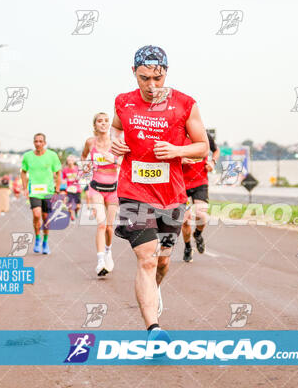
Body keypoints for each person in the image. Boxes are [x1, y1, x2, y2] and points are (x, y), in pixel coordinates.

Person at [110, 45, 208, 341]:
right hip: (133, 192)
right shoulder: (123, 102)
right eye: (144, 79)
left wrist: (178, 150)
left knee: (163, 261)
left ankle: (154, 289)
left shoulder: (185, 104)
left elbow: (202, 145)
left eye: (157, 78)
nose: (152, 86)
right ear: (134, 74)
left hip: (172, 196)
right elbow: (116, 129)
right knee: (148, 259)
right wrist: (116, 142)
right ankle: (154, 328)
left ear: (166, 72)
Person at [81, 113, 120, 276]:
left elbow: (125, 163)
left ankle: (108, 251)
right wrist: (84, 173)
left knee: (110, 228)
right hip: (95, 188)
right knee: (101, 225)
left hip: (113, 189)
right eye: (100, 121)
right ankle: (100, 261)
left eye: (106, 121)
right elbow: (83, 157)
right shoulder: (90, 142)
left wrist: (113, 159)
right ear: (95, 125)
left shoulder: (116, 143)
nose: (103, 124)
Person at [181, 131, 219, 262]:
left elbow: (216, 150)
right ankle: (187, 247)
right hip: (181, 184)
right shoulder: (176, 135)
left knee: (202, 215)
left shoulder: (204, 135)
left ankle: (198, 234)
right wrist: (179, 160)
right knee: (185, 220)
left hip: (200, 181)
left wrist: (213, 162)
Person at [21, 133, 62, 254]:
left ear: (44, 143)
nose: (38, 143)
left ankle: (45, 241)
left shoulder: (52, 156)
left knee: (46, 218)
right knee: (36, 214)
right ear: (34, 143)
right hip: (34, 191)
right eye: (36, 141)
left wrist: (57, 189)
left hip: (48, 192)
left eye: (40, 141)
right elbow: (23, 172)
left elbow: (59, 172)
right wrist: (25, 187)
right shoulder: (27, 156)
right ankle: (37, 239)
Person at [61, 155, 82, 220]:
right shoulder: (65, 170)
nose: (70, 162)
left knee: (78, 206)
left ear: (74, 161)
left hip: (77, 189)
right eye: (68, 160)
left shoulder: (78, 169)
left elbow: (82, 176)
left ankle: (76, 211)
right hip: (69, 189)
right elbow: (63, 179)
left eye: (71, 160)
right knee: (69, 205)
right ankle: (71, 215)